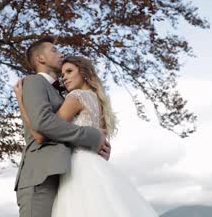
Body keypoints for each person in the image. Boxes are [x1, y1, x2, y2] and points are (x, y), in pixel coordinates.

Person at [14, 55, 159, 216]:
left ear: (83, 72)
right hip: (97, 166)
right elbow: (101, 142)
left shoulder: (75, 97)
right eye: (63, 75)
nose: (65, 78)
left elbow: (43, 133)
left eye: (69, 71)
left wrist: (22, 102)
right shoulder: (99, 101)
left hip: (77, 168)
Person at [13, 37, 111, 217]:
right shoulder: (34, 81)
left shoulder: (65, 94)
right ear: (40, 59)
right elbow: (43, 126)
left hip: (63, 173)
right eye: (54, 50)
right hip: (40, 175)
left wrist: (98, 147)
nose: (60, 54)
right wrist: (92, 137)